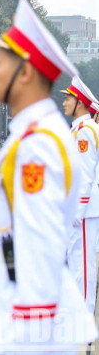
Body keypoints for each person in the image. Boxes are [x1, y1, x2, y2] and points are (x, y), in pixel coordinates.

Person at [0, 0, 97, 351]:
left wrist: (32, 334)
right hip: (16, 307)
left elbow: (37, 247)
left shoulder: (37, 145)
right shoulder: (36, 135)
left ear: (25, 73)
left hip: (27, 326)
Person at [60, 76, 99, 313]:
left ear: (81, 104)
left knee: (83, 264)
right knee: (76, 261)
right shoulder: (79, 130)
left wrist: (78, 208)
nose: (64, 103)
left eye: (68, 99)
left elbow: (84, 175)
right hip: (80, 206)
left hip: (84, 208)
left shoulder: (84, 132)